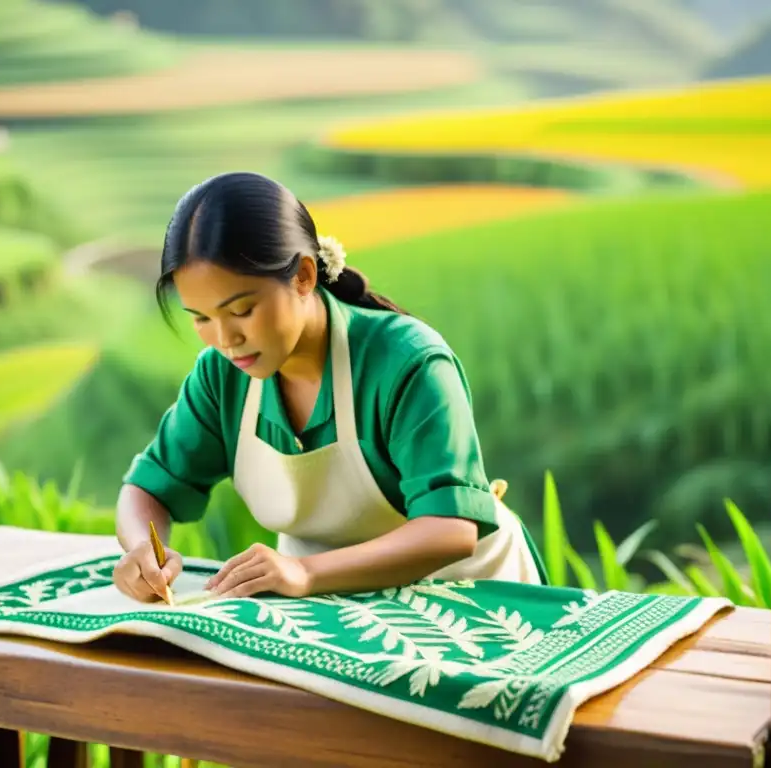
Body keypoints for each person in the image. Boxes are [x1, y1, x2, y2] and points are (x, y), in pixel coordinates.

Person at [112, 171, 548, 603]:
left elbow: (449, 531)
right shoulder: (222, 377)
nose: (225, 340)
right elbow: (147, 488)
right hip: (331, 608)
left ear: (303, 276)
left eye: (242, 310)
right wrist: (142, 550)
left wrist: (303, 571)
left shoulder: (408, 363)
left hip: (469, 597)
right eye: (202, 318)